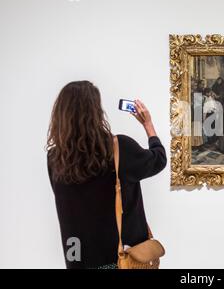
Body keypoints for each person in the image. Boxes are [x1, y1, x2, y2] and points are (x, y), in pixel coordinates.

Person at [46, 81, 167, 269]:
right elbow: (158, 160)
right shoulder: (119, 148)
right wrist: (148, 124)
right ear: (96, 112)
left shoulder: (55, 158)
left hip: (77, 260)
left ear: (61, 115)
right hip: (120, 260)